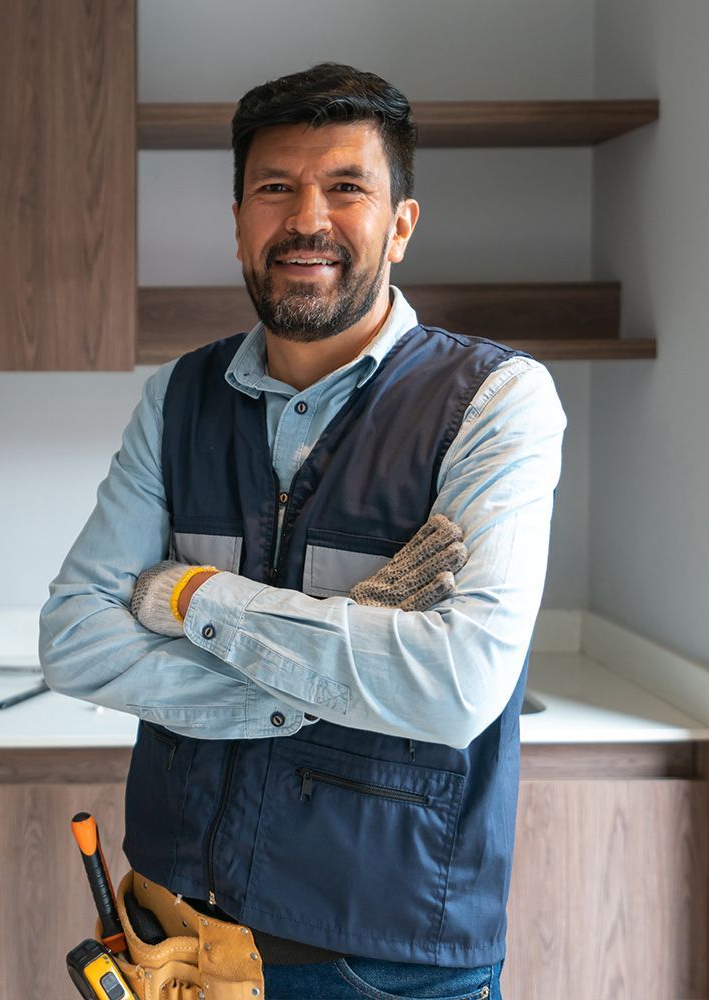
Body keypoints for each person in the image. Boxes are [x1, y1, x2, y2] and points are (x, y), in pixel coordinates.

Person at [39, 63, 565, 999]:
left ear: (401, 224)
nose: (306, 220)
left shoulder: (493, 402)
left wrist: (194, 599)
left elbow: (454, 684)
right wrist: (331, 681)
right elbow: (75, 640)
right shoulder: (177, 400)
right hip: (169, 935)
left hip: (383, 963)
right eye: (274, 189)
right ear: (239, 216)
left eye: (346, 188)